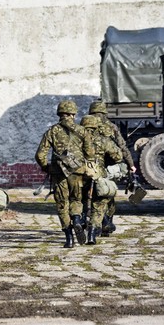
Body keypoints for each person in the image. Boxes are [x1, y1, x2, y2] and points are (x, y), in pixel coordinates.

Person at [35, 100, 93, 248]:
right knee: (76, 200)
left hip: (59, 173)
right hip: (78, 173)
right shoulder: (82, 131)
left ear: (59, 114)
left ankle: (69, 239)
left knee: (62, 204)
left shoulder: (52, 131)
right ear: (73, 114)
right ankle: (77, 220)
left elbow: (40, 155)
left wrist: (47, 168)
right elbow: (90, 154)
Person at [88, 101, 135, 236]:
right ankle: (106, 224)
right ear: (104, 112)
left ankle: (95, 223)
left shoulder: (84, 125)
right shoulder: (111, 126)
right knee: (107, 194)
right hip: (107, 166)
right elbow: (122, 147)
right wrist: (131, 164)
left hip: (86, 166)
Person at [80, 115, 124, 245]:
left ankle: (81, 221)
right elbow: (118, 156)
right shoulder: (103, 140)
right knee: (99, 205)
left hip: (80, 175)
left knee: (79, 201)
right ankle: (92, 234)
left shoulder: (76, 140)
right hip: (98, 175)